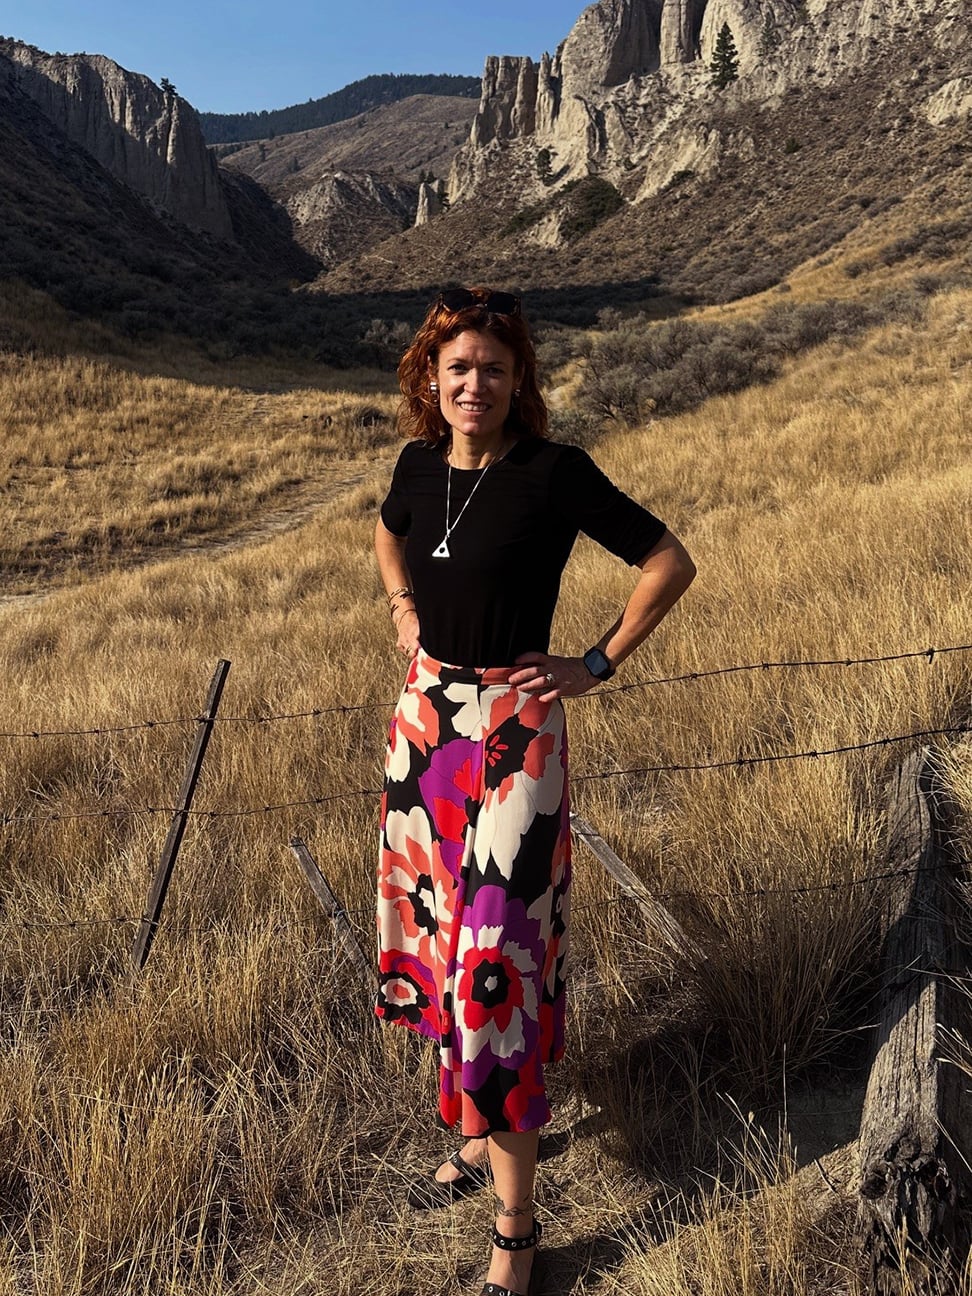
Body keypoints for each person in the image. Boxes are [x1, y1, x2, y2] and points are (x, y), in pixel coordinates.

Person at [374, 286, 695, 1296]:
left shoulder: (554, 474)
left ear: (521, 385)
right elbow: (389, 533)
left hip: (516, 736)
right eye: (459, 367)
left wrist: (593, 664)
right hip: (428, 727)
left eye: (496, 370)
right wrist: (403, 617)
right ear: (432, 379)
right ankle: (474, 1137)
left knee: (494, 959)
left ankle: (517, 1227)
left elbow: (667, 561)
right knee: (437, 936)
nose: (476, 384)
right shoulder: (419, 467)